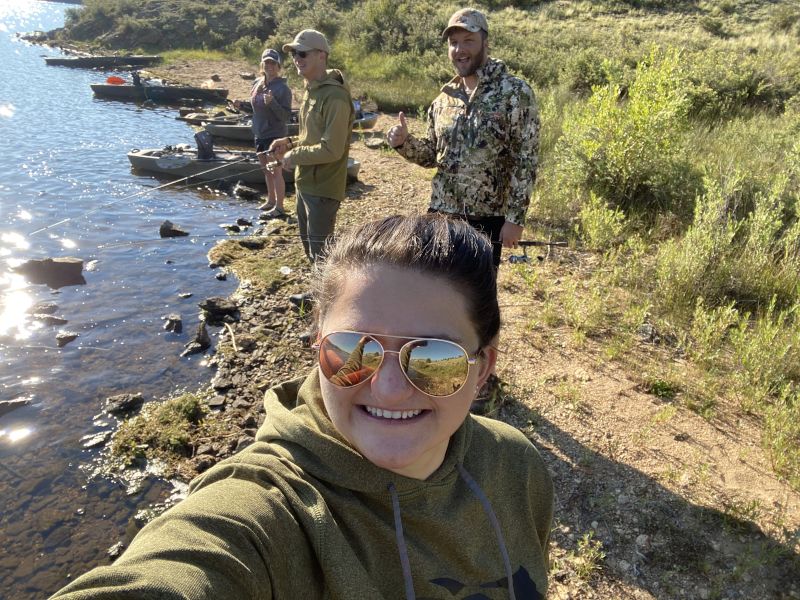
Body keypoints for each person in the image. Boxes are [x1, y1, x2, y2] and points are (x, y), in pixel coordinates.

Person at [51, 213, 554, 599]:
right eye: (354, 350)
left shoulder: (517, 466)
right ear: (317, 346)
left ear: (482, 368)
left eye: (434, 357)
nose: (388, 390)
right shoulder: (269, 510)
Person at [387, 8, 540, 268]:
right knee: (434, 286)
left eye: (468, 40)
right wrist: (404, 142)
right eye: (453, 42)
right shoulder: (443, 99)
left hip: (485, 221)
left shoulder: (514, 92)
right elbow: (432, 156)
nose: (460, 49)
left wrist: (515, 219)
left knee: (475, 292)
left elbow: (526, 160)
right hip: (441, 216)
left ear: (485, 42)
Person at [269, 29, 354, 271]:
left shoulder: (335, 96)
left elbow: (331, 149)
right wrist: (289, 142)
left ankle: (328, 294)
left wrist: (293, 156)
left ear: (321, 56)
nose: (297, 58)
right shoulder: (311, 89)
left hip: (323, 189)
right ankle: (319, 289)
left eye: (303, 53)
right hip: (304, 183)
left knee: (322, 256)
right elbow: (312, 137)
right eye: (294, 54)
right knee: (310, 248)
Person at [246, 49, 292, 218]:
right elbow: (254, 107)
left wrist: (272, 103)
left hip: (275, 136)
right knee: (266, 171)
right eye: (266, 62)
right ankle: (271, 201)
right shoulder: (257, 83)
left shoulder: (283, 89)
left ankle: (280, 207)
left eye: (273, 63)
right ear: (262, 64)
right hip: (259, 133)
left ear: (278, 66)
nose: (269, 66)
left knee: (276, 172)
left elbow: (285, 116)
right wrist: (240, 105)